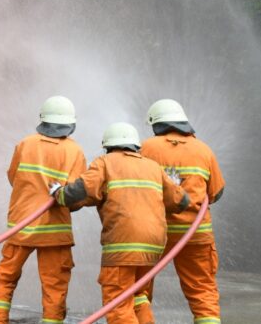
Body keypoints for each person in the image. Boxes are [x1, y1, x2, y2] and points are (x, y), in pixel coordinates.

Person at [52, 122, 189, 324]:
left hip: (123, 245)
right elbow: (182, 201)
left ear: (108, 146)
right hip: (153, 247)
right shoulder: (153, 167)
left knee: (117, 301)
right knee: (138, 295)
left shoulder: (105, 163)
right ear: (135, 146)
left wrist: (59, 195)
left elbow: (82, 190)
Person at [0, 96, 86, 324]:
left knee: (5, 278)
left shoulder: (25, 144)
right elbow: (77, 196)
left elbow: (14, 178)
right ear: (70, 123)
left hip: (20, 228)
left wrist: (30, 197)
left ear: (43, 120)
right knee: (54, 285)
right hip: (55, 232)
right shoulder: (74, 152)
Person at [141, 99, 225, 324]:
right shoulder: (203, 150)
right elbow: (216, 193)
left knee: (139, 285)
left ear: (155, 123)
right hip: (196, 233)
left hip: (156, 232)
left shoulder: (146, 148)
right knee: (202, 287)